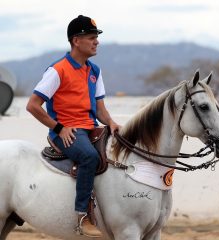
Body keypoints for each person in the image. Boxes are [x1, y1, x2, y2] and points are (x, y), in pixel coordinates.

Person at [26, 15, 119, 237]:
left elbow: (101, 111)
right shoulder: (57, 70)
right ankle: (83, 216)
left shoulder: (94, 71)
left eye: (97, 37)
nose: (96, 41)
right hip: (66, 133)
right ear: (76, 41)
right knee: (89, 157)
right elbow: (32, 105)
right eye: (91, 37)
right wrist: (59, 128)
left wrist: (112, 123)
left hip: (90, 128)